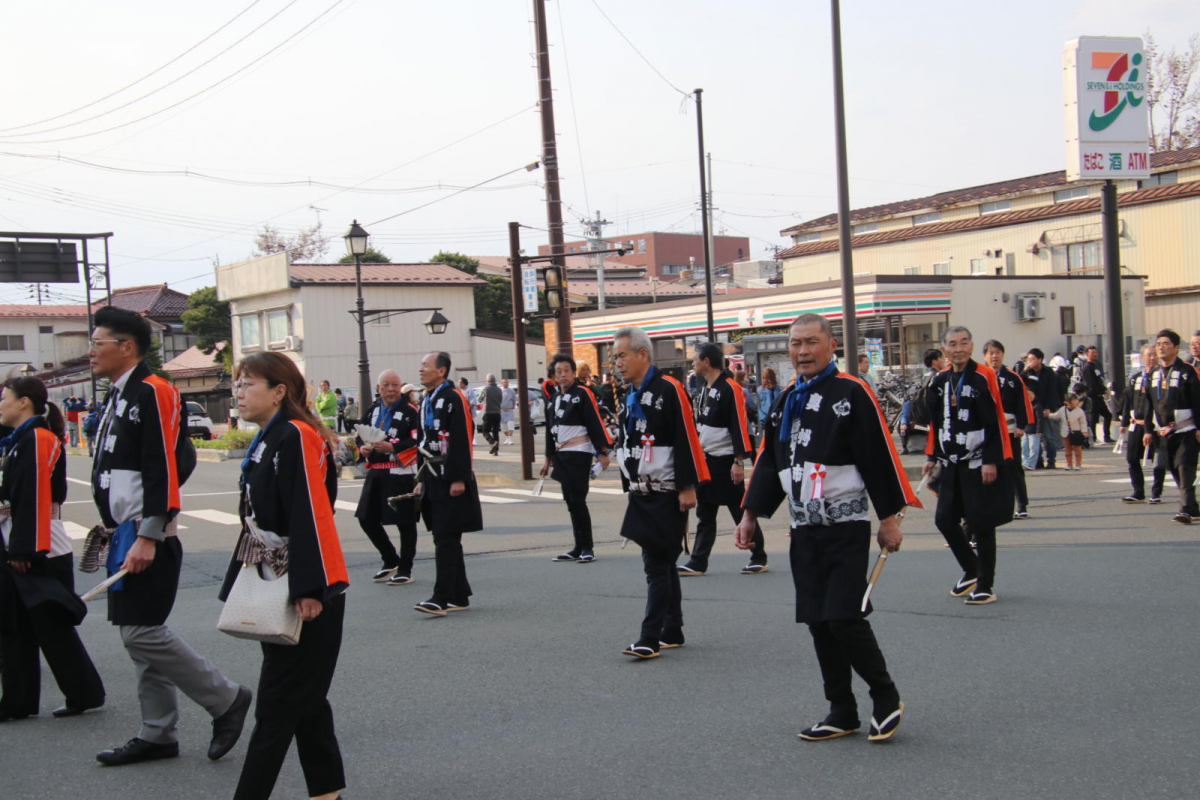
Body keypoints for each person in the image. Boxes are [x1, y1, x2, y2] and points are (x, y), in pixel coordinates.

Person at [737, 313, 917, 743]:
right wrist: (749, 514)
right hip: (804, 528)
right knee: (819, 620)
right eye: (796, 343)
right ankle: (841, 708)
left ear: (831, 345)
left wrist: (888, 518)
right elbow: (768, 461)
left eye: (811, 342)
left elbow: (878, 457)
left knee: (844, 616)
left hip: (845, 524)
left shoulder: (852, 393)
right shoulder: (785, 400)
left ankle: (885, 696)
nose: (802, 351)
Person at [86, 306, 251, 766]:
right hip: (125, 531)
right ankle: (157, 732)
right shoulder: (119, 395)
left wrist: (150, 532)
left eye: (98, 343)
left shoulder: (153, 391)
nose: (91, 351)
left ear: (127, 347)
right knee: (135, 631)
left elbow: (164, 462)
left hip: (145, 531)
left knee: (141, 631)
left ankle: (226, 698)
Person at [221, 352, 349, 800]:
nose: (237, 393)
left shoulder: (295, 434)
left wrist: (309, 588)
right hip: (281, 576)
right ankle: (326, 790)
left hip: (306, 583)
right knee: (304, 696)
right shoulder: (268, 437)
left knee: (278, 702)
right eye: (236, 384)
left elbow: (312, 513)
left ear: (278, 392)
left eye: (247, 384)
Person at [0, 377, 105, 722]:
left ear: (24, 402)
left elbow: (34, 495)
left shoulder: (37, 438)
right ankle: (19, 700)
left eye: (5, 398)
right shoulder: (19, 439)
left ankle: (84, 693)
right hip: (24, 540)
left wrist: (23, 550)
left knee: (51, 625)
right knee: (17, 627)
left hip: (39, 545)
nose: (0, 404)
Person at [611, 327, 709, 659]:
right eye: (615, 358)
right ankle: (673, 628)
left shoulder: (669, 389)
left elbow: (686, 436)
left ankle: (649, 637)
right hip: (642, 491)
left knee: (656, 564)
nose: (618, 363)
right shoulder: (630, 393)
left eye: (622, 355)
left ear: (643, 354)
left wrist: (687, 486)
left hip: (667, 490)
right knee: (664, 562)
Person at [924, 325, 1014, 605]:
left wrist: (991, 460)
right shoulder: (939, 381)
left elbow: (995, 420)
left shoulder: (983, 376)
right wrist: (930, 456)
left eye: (964, 342)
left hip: (979, 461)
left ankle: (985, 584)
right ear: (945, 350)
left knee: (981, 523)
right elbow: (935, 423)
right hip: (951, 462)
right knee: (944, 520)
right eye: (953, 343)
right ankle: (972, 568)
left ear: (972, 347)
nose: (959, 348)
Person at [678, 343, 768, 576]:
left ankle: (758, 555)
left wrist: (738, 461)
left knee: (739, 509)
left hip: (725, 459)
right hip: (706, 458)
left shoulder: (730, 387)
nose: (693, 363)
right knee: (705, 512)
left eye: (696, 358)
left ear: (707, 361)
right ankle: (698, 562)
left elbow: (738, 425)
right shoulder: (704, 387)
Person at [413, 352, 483, 616]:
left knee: (446, 537)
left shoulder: (453, 397)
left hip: (449, 473)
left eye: (425, 366)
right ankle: (459, 594)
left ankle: (440, 597)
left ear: (441, 371)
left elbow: (463, 437)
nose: (421, 370)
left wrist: (459, 477)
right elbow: (423, 441)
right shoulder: (427, 398)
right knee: (445, 536)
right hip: (431, 473)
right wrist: (420, 479)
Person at [541, 354, 613, 563]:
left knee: (578, 500)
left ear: (574, 373)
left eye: (566, 370)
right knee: (570, 501)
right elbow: (549, 431)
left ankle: (587, 547)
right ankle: (577, 546)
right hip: (561, 454)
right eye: (559, 371)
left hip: (579, 452)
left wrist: (602, 452)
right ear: (554, 376)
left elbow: (594, 422)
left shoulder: (583, 393)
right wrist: (547, 459)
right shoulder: (553, 398)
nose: (563, 374)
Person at [355, 370, 421, 586]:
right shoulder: (373, 409)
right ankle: (390, 558)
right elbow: (359, 436)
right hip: (376, 471)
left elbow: (419, 442)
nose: (391, 389)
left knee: (405, 521)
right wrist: (362, 449)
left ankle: (405, 568)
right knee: (366, 518)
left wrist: (393, 446)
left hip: (401, 471)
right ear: (379, 388)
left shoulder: (410, 411)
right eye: (386, 385)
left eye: (395, 384)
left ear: (401, 387)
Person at [1142, 329, 1200, 525]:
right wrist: (1148, 430)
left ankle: (1184, 509)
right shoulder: (1153, 375)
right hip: (1164, 433)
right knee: (1174, 468)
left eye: (1166, 343)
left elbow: (1197, 401)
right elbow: (1148, 405)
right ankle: (1192, 507)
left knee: (1185, 466)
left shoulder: (1186, 371)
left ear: (1176, 348)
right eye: (1158, 344)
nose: (1161, 347)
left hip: (1187, 430)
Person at [983, 340, 1034, 518]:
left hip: (1010, 429)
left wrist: (1021, 425)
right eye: (990, 353)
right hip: (987, 431)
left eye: (997, 352)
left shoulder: (1013, 377)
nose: (994, 356)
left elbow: (1023, 403)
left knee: (1013, 467)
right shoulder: (979, 376)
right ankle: (993, 505)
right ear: (985, 356)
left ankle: (1021, 504)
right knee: (988, 467)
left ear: (1003, 354)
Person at [1118, 345, 1167, 504]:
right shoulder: (1135, 378)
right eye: (1149, 355)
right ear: (1142, 357)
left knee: (1158, 460)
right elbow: (1128, 401)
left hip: (1155, 424)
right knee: (1132, 458)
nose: (1152, 358)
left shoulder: (1162, 377)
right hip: (1136, 423)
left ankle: (1156, 492)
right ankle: (1138, 491)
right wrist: (1124, 422)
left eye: (1154, 355)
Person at [1023, 348, 1063, 470]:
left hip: (1044, 407)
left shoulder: (1049, 372)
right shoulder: (1028, 373)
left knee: (1048, 436)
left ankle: (1051, 461)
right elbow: (1019, 382)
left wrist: (1048, 408)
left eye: (1032, 359)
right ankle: (1037, 461)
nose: (1030, 361)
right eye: (1028, 359)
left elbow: (1052, 391)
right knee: (1034, 437)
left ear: (1040, 359)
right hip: (1032, 408)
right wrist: (1025, 371)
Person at [1080, 346, 1113, 443]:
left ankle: (1106, 436)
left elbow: (1099, 381)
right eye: (1092, 353)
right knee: (1093, 417)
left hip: (1098, 396)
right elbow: (1091, 384)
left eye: (1095, 352)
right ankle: (1093, 438)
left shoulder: (1095, 365)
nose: (1095, 354)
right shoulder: (1087, 367)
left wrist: (1104, 390)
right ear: (1087, 354)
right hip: (1092, 396)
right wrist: (1101, 391)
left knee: (1106, 415)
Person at [1049, 393, 1089, 469]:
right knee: (1068, 449)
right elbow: (1056, 416)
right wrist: (1048, 415)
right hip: (1066, 432)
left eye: (1077, 399)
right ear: (1067, 402)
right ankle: (1069, 464)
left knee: (1077, 449)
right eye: (1074, 400)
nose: (1077, 401)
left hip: (1076, 432)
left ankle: (1078, 464)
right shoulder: (1062, 410)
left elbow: (1083, 422)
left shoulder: (1080, 411)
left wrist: (1084, 431)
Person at [500, 378, 518, 445]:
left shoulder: (511, 391)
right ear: (502, 383)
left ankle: (510, 439)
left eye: (506, 382)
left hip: (509, 410)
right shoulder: (500, 391)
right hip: (502, 411)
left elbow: (514, 400)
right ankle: (507, 438)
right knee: (503, 427)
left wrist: (513, 407)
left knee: (510, 425)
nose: (505, 383)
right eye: (504, 382)